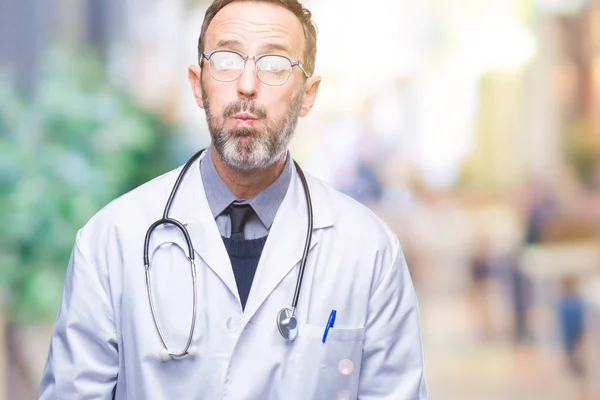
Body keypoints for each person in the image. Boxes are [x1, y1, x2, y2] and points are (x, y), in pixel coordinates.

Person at [38, 0, 428, 398]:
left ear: (308, 96)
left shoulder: (368, 251)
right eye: (226, 59)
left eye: (275, 64)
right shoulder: (111, 241)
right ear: (197, 84)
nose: (247, 84)